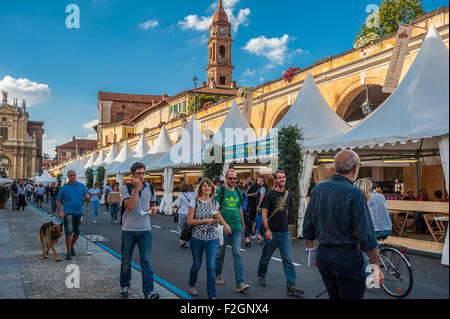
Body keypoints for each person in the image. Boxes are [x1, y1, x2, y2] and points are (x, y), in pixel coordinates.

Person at [303, 150, 383, 299]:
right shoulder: (355, 193)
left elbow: (308, 226)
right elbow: (366, 235)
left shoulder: (318, 189)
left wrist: (312, 252)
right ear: (355, 168)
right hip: (346, 257)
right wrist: (375, 267)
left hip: (324, 255)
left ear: (335, 167)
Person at [256, 170, 305, 297]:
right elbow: (265, 212)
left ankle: (291, 286)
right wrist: (267, 229)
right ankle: (261, 275)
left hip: (284, 234)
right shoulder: (269, 195)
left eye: (283, 177)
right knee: (266, 257)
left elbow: (286, 211)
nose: (282, 179)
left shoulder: (288, 195)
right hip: (272, 233)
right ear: (275, 180)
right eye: (279, 178)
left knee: (288, 259)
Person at [119, 162, 159, 299]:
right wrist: (136, 189)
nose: (141, 176)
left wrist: (154, 209)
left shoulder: (150, 187)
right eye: (138, 173)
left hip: (145, 229)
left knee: (146, 261)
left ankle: (148, 291)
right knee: (126, 260)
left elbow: (153, 205)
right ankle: (125, 284)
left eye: (143, 173)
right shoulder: (126, 188)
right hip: (128, 229)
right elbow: (130, 206)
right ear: (132, 174)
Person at [186, 178, 227, 299]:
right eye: (204, 186)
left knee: (210, 266)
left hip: (211, 239)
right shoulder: (195, 202)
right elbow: (189, 221)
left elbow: (215, 223)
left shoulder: (215, 203)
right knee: (197, 265)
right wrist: (205, 220)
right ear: (200, 188)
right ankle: (192, 285)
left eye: (209, 186)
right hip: (197, 239)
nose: (207, 188)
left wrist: (216, 219)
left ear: (212, 188)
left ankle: (212, 295)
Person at [214, 169, 250, 293]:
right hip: (223, 227)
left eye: (235, 179)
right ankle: (217, 274)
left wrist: (244, 226)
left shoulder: (238, 191)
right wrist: (224, 224)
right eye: (231, 178)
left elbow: (240, 209)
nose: (233, 181)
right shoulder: (220, 191)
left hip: (236, 227)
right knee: (220, 253)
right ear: (226, 178)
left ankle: (240, 283)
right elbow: (216, 210)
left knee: (237, 253)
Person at [355, 178, 392, 277]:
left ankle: (369, 278)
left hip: (374, 230)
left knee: (363, 250)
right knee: (372, 248)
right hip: (387, 228)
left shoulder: (363, 198)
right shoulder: (381, 196)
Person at [56, 170, 90, 261]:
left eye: (74, 175)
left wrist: (87, 198)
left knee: (77, 232)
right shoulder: (64, 187)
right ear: (67, 176)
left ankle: (71, 246)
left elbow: (86, 198)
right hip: (68, 212)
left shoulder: (82, 186)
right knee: (69, 232)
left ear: (76, 176)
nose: (72, 177)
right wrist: (60, 212)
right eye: (70, 175)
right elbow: (58, 200)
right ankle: (69, 253)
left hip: (79, 212)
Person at [173, 183, 195, 248]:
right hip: (189, 212)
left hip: (182, 212)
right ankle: (187, 242)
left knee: (180, 227)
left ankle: (182, 241)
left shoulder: (181, 195)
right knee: (188, 227)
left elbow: (179, 205)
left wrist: (176, 204)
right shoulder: (191, 195)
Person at [245, 176, 258, 247]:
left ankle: (254, 231)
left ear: (251, 180)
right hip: (250, 204)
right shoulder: (250, 186)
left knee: (252, 218)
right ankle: (252, 230)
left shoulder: (255, 185)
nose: (247, 181)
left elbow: (256, 193)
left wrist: (248, 194)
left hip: (253, 204)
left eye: (247, 180)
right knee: (250, 218)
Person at [253, 176, 267, 244]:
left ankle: (261, 238)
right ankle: (260, 238)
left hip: (261, 207)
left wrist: (259, 205)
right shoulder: (261, 187)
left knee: (260, 219)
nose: (257, 182)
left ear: (261, 181)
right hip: (262, 206)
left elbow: (262, 196)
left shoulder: (263, 187)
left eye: (258, 180)